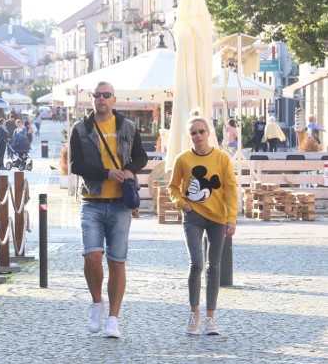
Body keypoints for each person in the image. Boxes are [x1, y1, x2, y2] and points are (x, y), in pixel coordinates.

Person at [69, 81, 148, 339]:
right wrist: (106, 173)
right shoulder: (80, 129)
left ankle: (113, 318)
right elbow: (76, 165)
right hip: (92, 199)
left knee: (117, 260)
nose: (101, 99)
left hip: (120, 205)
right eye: (97, 95)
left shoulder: (128, 127)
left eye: (106, 95)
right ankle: (96, 302)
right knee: (91, 257)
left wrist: (129, 170)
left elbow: (141, 157)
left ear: (114, 100)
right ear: (92, 99)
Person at [167, 116, 236, 336]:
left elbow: (231, 190)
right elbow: (173, 187)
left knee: (213, 266)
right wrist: (183, 205)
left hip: (218, 218)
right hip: (193, 217)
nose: (197, 136)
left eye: (201, 131)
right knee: (196, 263)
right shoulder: (183, 159)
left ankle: (210, 318)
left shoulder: (222, 159)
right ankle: (194, 313)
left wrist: (231, 218)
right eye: (193, 133)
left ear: (208, 132)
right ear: (190, 136)